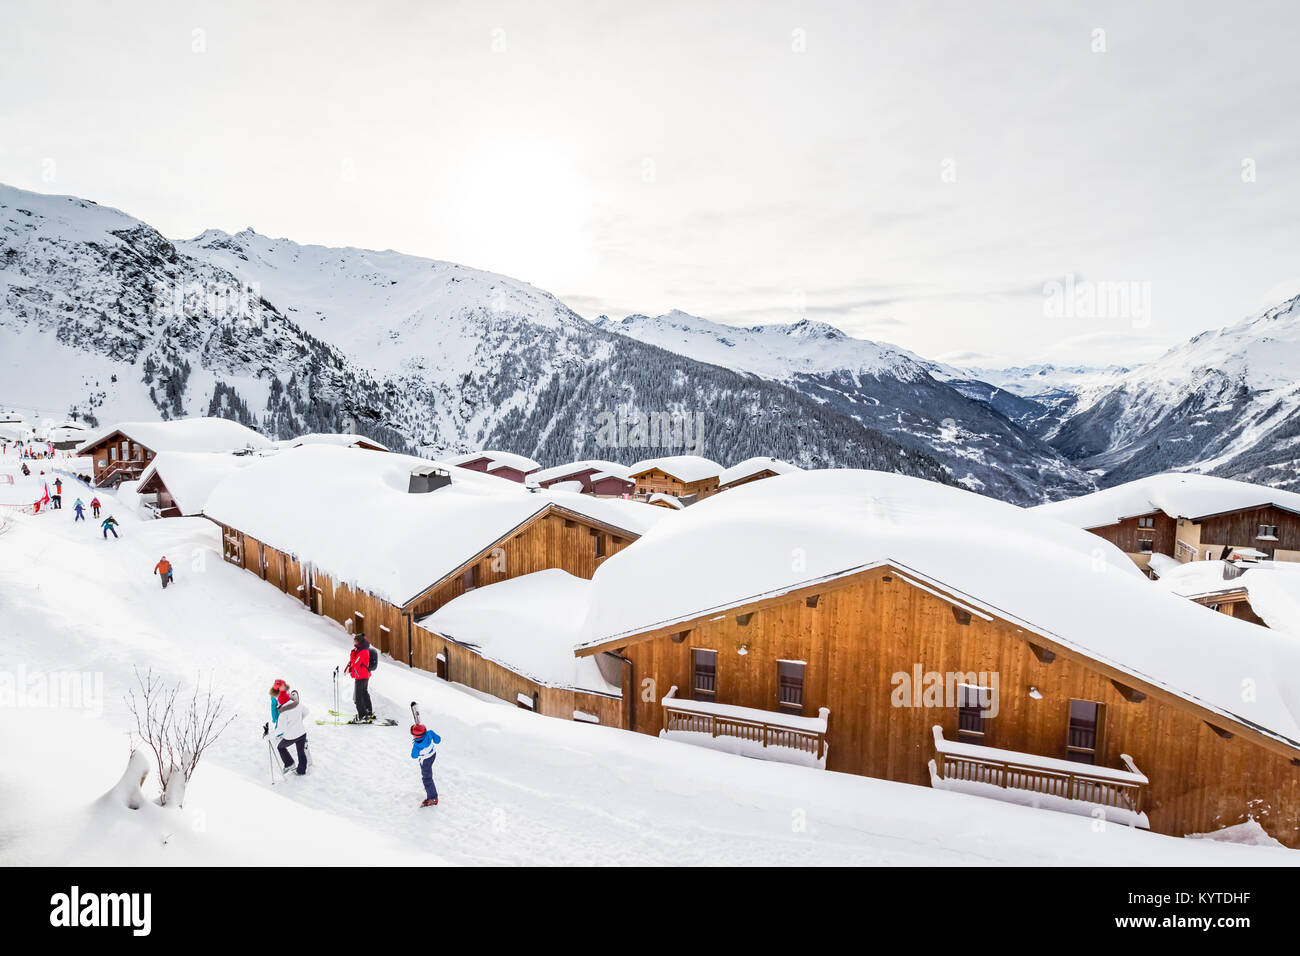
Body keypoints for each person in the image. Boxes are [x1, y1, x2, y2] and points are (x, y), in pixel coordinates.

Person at [270, 681, 310, 776]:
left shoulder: (283, 712)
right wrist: (299, 721)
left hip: (291, 736)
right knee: (301, 752)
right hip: (302, 733)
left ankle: (289, 763)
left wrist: (270, 736)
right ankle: (301, 770)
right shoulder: (297, 704)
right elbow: (307, 711)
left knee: (280, 747)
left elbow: (281, 729)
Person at [345, 633, 376, 722]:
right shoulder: (362, 649)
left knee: (358, 696)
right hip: (364, 675)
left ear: (358, 642)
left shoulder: (363, 652)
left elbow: (355, 664)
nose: (353, 642)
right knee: (364, 693)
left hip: (361, 676)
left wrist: (352, 654)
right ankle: (368, 711)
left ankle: (362, 715)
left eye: (354, 640)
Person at [410, 722, 442, 807]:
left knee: (427, 779)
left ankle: (433, 798)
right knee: (428, 776)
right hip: (433, 755)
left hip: (425, 761)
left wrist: (416, 748)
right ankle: (430, 789)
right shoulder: (430, 733)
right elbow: (438, 740)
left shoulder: (417, 746)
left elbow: (414, 756)